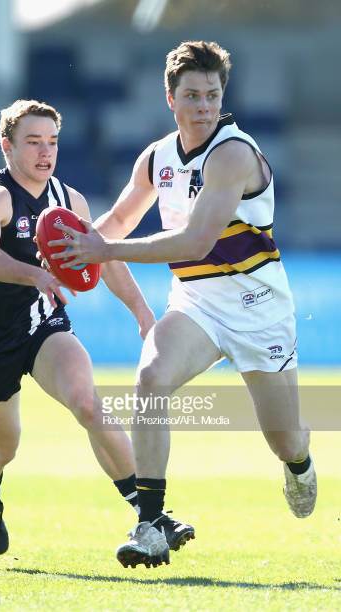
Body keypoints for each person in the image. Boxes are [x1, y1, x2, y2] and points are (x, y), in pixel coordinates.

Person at [49, 41, 317, 569]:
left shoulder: (234, 153)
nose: (204, 106)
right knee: (150, 378)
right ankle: (150, 523)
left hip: (257, 308)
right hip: (195, 304)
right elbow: (116, 224)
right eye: (192, 95)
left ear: (223, 96)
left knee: (283, 439)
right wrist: (60, 262)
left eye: (212, 95)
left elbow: (194, 242)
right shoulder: (156, 157)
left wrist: (102, 250)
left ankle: (301, 462)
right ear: (170, 98)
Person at [0, 99, 189, 558]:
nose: (46, 153)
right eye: (33, 142)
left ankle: (150, 515)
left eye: (53, 142)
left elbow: (104, 258)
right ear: (6, 146)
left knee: (88, 402)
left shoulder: (69, 201)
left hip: (45, 326)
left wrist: (144, 316)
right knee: (2, 447)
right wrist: (37, 276)